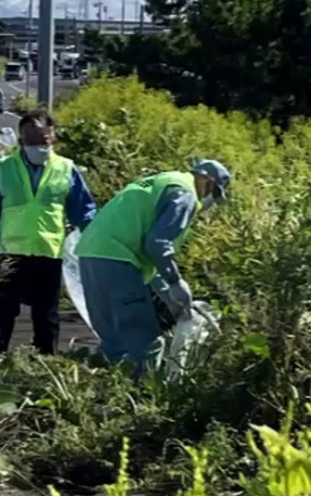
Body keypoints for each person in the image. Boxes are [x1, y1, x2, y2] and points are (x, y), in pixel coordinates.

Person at [75, 159, 232, 375]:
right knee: (146, 345)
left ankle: (100, 395)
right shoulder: (185, 194)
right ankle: (140, 401)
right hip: (119, 259)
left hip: (91, 254)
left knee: (114, 343)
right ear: (208, 182)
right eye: (214, 195)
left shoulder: (164, 180)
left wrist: (168, 295)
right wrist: (176, 282)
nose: (210, 202)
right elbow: (157, 244)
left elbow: (147, 255)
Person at [0, 109, 98, 368]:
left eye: (45, 141)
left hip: (48, 253)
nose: (40, 147)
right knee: (3, 314)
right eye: (34, 141)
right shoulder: (3, 168)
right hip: (12, 253)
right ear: (21, 140)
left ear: (52, 139)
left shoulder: (66, 169)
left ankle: (45, 371)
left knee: (47, 318)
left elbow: (84, 211)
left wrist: (95, 242)